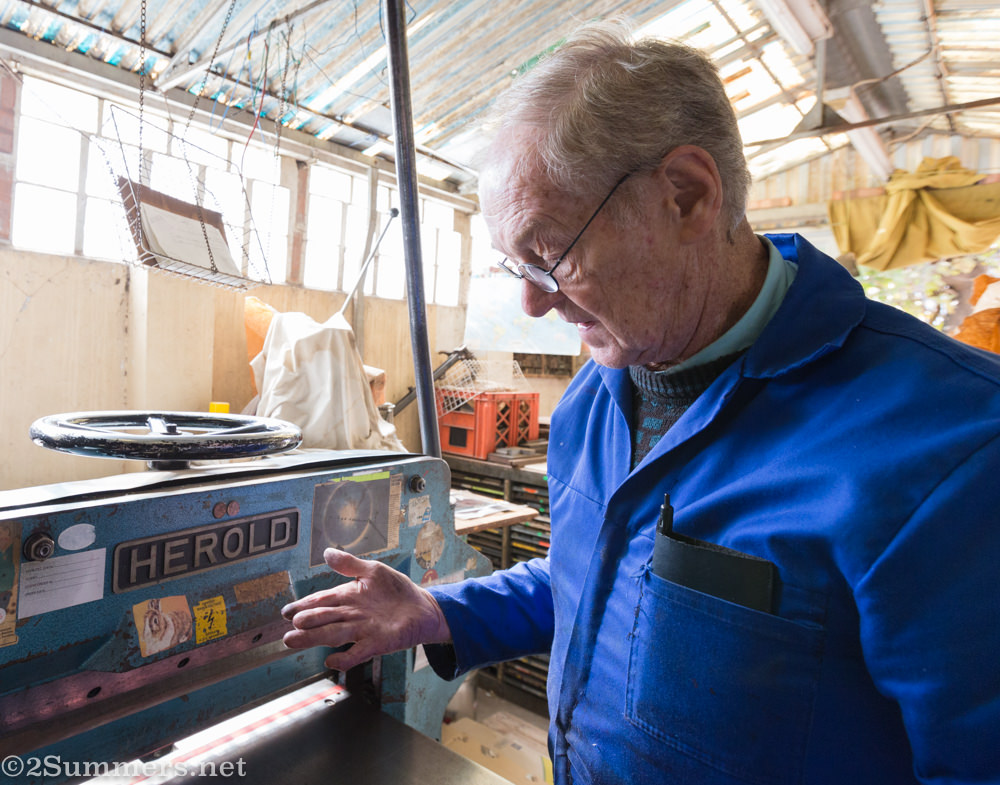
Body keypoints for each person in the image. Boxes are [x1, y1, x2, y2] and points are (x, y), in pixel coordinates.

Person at [282, 19, 1000, 784]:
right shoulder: (597, 396)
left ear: (686, 195)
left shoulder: (951, 450)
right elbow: (594, 577)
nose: (530, 302)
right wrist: (442, 612)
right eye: (513, 264)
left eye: (549, 253)